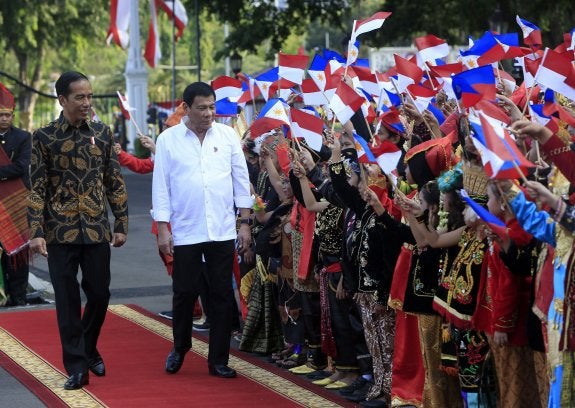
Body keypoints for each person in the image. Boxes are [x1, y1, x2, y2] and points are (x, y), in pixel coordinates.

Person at [27, 71, 129, 390]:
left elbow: (114, 179)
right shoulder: (44, 137)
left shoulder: (102, 132)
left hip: (97, 228)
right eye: (80, 97)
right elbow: (37, 187)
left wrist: (121, 222)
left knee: (99, 294)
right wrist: (36, 231)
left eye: (90, 97)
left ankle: (86, 347)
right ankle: (77, 366)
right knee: (68, 300)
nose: (87, 103)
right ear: (62, 100)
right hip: (60, 232)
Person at [152, 81, 252, 379]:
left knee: (221, 295)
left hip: (221, 229)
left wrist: (244, 223)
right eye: (202, 108)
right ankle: (180, 346)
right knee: (184, 293)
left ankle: (218, 360)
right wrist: (162, 229)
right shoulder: (168, 140)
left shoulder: (227, 137)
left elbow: (240, 180)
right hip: (185, 230)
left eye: (212, 107)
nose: (209, 113)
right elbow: (161, 187)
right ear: (186, 108)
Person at [0, 82, 31, 307]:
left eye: (7, 115)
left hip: (17, 200)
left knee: (18, 251)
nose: (3, 119)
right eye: (0, 115)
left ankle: (18, 296)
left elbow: (21, 166)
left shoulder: (22, 137)